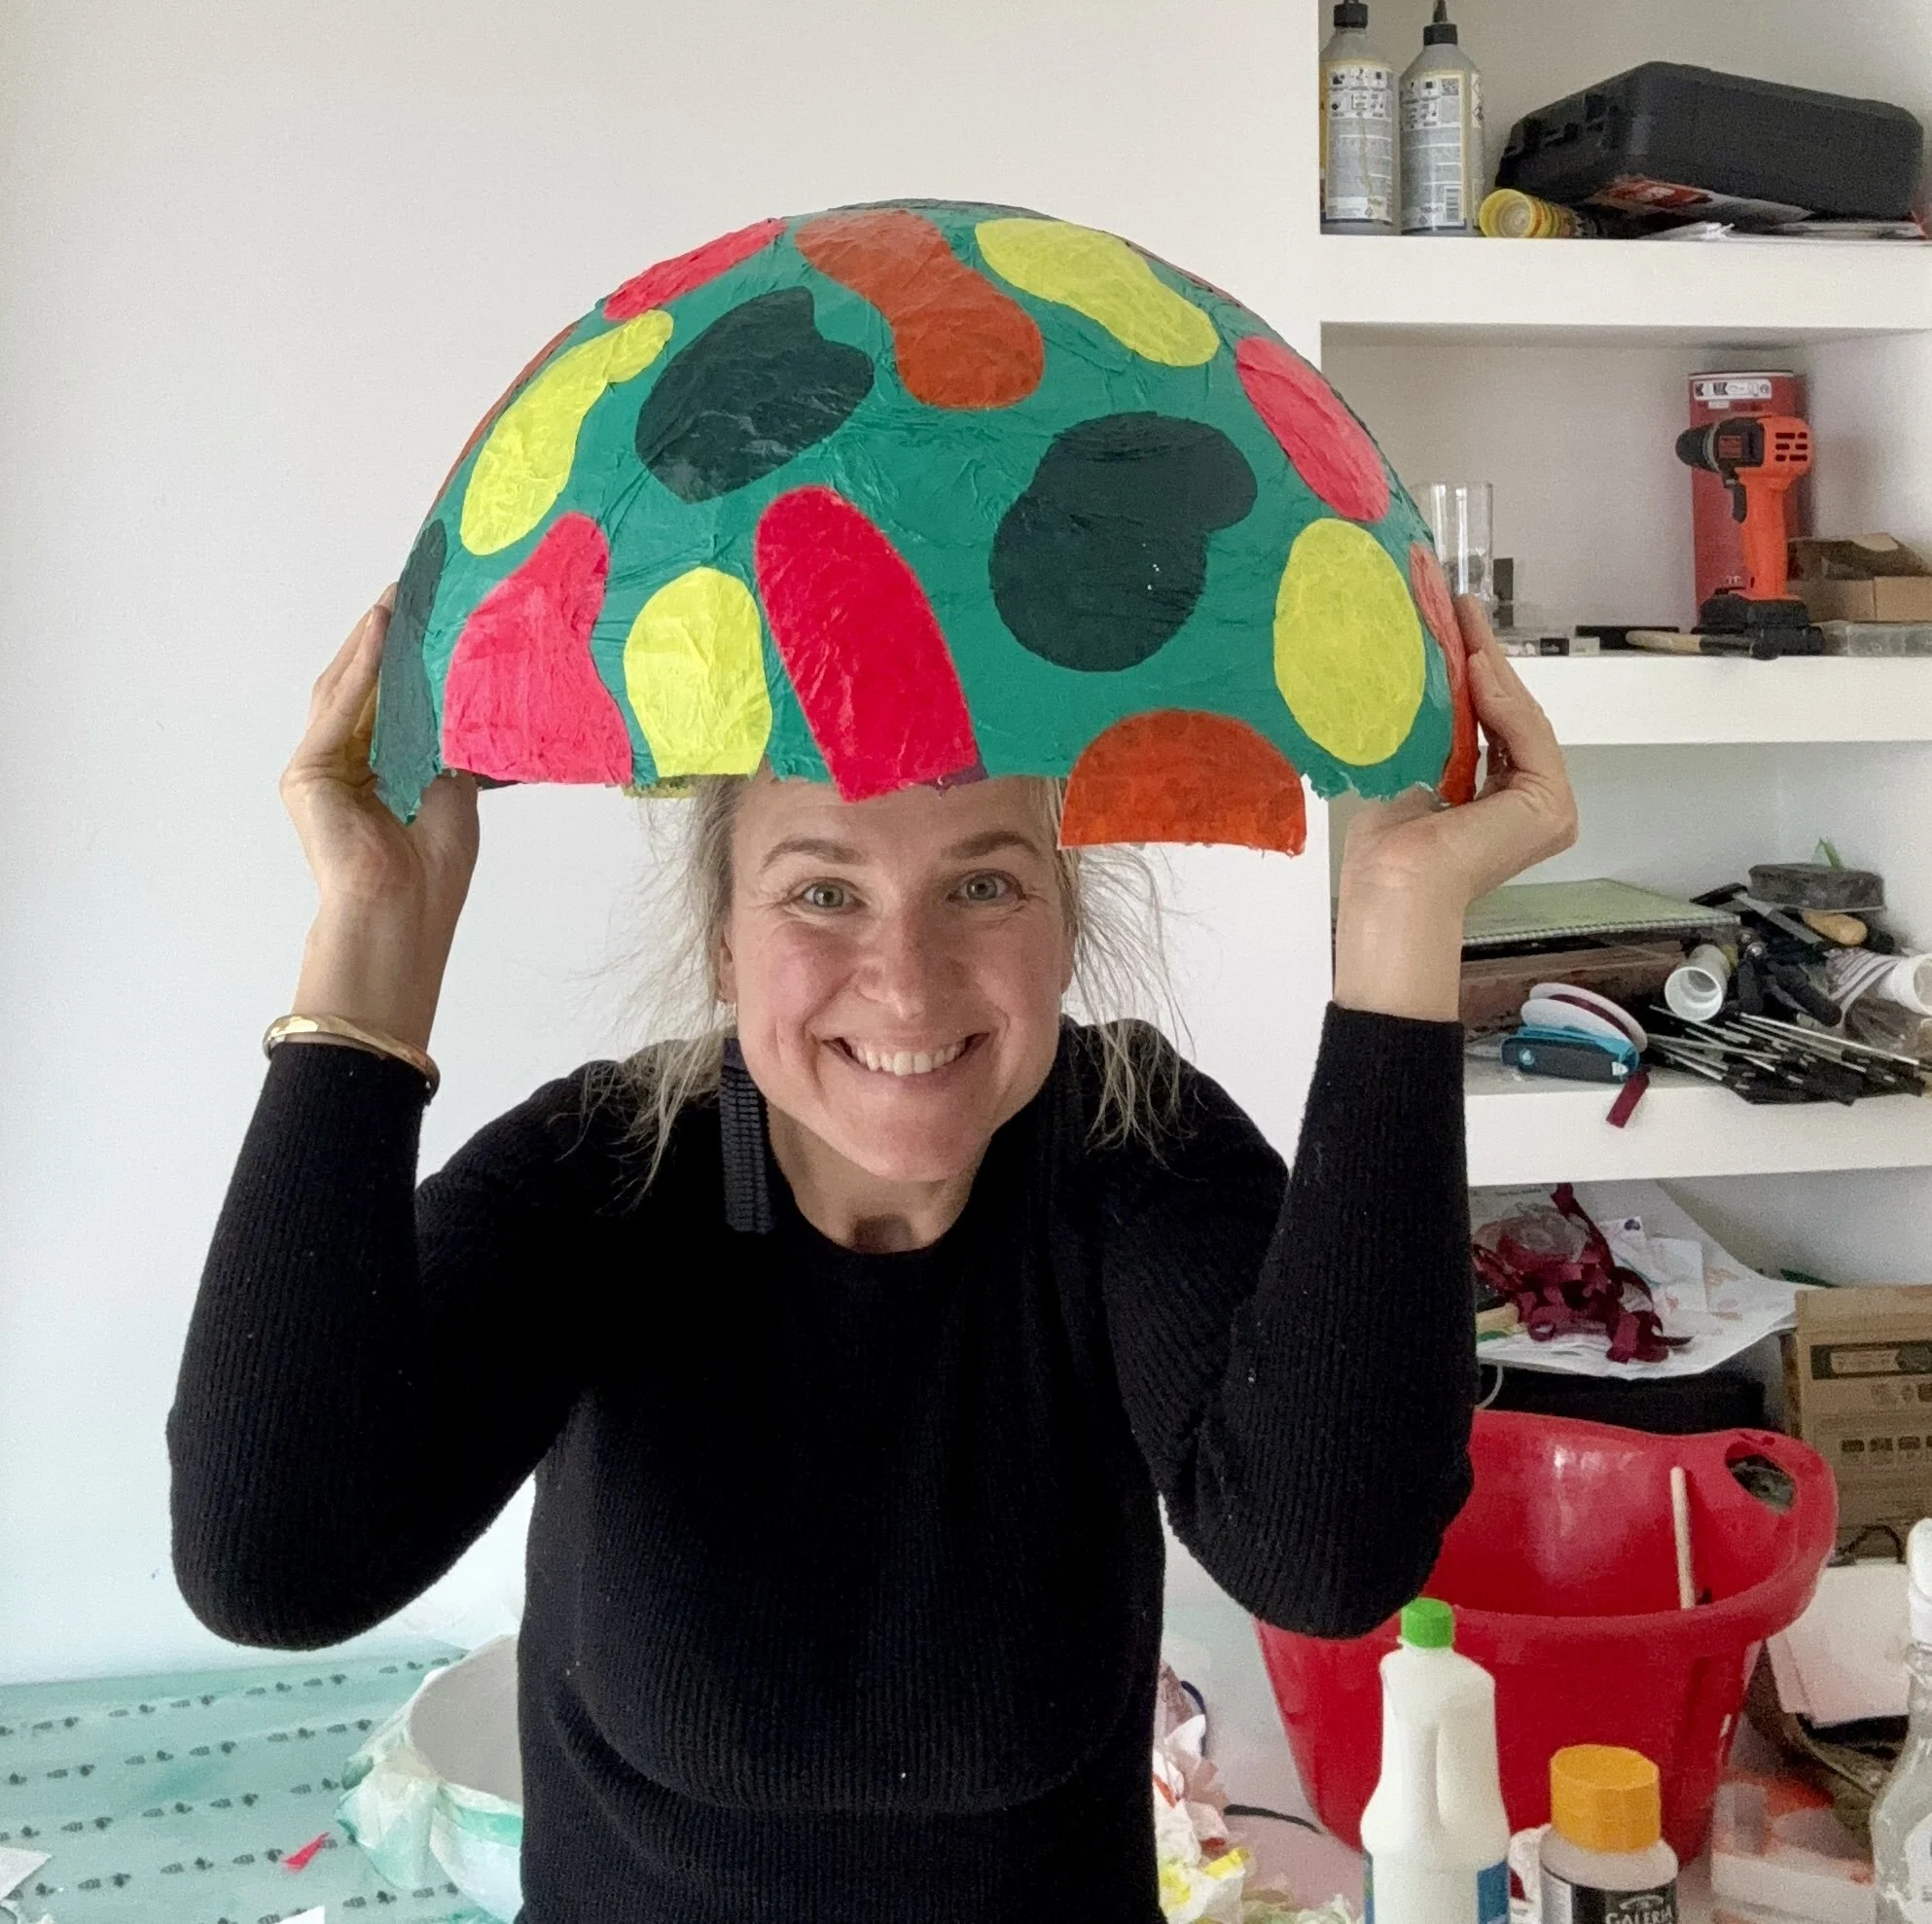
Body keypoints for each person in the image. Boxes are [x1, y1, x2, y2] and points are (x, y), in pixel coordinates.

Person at [169, 584, 1575, 1923]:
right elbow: (277, 1559)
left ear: (1066, 925)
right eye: (822, 892)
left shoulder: (1129, 1147)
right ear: (723, 941)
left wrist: (1400, 918)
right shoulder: (604, 1170)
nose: (905, 982)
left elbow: (1326, 1556)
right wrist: (376, 930)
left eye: (981, 887)